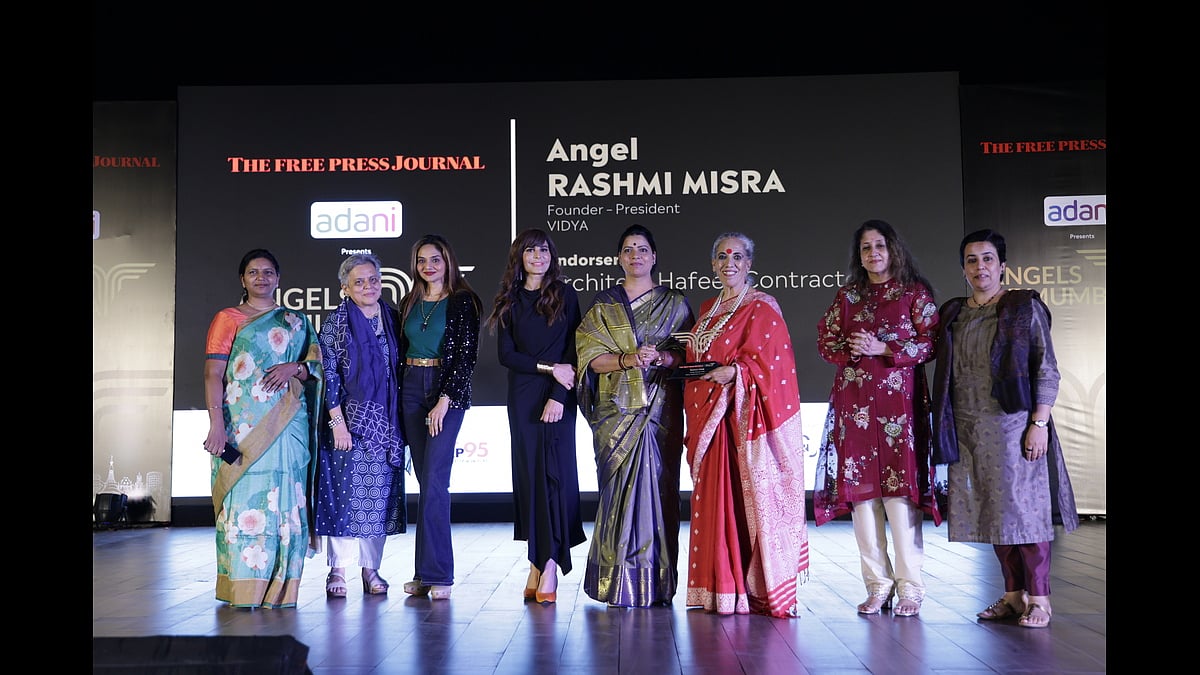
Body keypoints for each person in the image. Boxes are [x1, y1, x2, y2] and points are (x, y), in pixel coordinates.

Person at [931, 228, 1079, 629]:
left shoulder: (1022, 308)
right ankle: (1013, 596)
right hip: (968, 429)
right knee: (995, 514)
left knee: (1025, 514)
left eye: (988, 259)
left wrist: (1039, 423)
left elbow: (1046, 369)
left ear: (1003, 266)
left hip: (1014, 425)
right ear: (963, 269)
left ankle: (1041, 600)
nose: (980, 267)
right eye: (972, 260)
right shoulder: (954, 313)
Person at [813, 219, 942, 618]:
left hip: (899, 413)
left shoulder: (913, 293)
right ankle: (877, 585)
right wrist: (851, 349)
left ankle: (910, 588)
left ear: (893, 250)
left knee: (900, 498)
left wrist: (884, 346)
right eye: (866, 248)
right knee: (863, 500)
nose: (873, 254)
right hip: (855, 411)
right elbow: (825, 340)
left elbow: (933, 342)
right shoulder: (848, 297)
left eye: (880, 246)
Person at [680, 232, 809, 618]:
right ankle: (718, 588)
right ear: (713, 264)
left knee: (743, 501)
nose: (729, 263)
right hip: (710, 422)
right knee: (714, 504)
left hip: (743, 421)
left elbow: (775, 367)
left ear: (749, 263)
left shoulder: (762, 308)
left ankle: (752, 589)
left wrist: (736, 372)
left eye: (737, 256)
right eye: (722, 256)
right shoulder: (707, 308)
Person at [575, 223, 694, 607]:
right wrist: (628, 359)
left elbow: (688, 355)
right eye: (628, 249)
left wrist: (661, 357)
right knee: (618, 496)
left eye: (642, 249)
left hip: (660, 410)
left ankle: (657, 583)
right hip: (615, 414)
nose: (636, 256)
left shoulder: (674, 303)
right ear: (619, 258)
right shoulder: (604, 306)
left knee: (659, 493)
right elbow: (589, 362)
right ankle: (615, 583)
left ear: (654, 256)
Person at [201, 248, 322, 608]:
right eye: (253, 272)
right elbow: (212, 374)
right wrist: (216, 425)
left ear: (278, 278)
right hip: (241, 427)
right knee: (245, 504)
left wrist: (295, 369)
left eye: (268, 272)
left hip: (288, 427)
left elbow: (316, 366)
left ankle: (282, 591)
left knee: (286, 503)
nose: (261, 278)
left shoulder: (295, 321)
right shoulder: (228, 318)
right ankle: (244, 589)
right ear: (243, 279)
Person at [486, 228, 586, 604]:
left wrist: (559, 393)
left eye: (544, 250)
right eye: (530, 250)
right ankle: (535, 561)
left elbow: (573, 353)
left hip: (559, 397)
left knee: (554, 479)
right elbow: (507, 356)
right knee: (530, 480)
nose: (538, 256)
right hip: (524, 397)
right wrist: (548, 369)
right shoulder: (509, 300)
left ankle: (549, 566)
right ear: (519, 258)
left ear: (552, 256)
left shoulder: (565, 295)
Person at [314, 253, 406, 598]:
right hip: (346, 424)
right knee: (343, 497)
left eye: (373, 279)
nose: (368, 287)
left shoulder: (393, 318)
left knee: (377, 499)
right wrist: (337, 422)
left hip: (387, 426)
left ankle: (371, 570)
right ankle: (337, 570)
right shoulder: (336, 322)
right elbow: (329, 374)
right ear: (344, 288)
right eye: (359, 281)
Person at [397, 234, 482, 601]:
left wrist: (445, 398)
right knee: (424, 481)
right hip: (411, 387)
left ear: (448, 261)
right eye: (421, 261)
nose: (428, 266)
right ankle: (422, 571)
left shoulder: (464, 302)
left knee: (434, 481)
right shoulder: (409, 301)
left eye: (435, 259)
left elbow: (466, 358)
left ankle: (439, 573)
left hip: (444, 390)